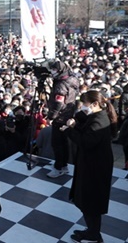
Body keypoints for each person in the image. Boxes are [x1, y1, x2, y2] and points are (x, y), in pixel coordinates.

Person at [62, 90, 117, 243]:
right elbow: (83, 118)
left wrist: (69, 131)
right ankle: (93, 231)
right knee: (89, 201)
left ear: (94, 104)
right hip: (92, 164)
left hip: (95, 168)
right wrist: (75, 120)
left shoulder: (99, 121)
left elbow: (86, 142)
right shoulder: (96, 115)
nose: (82, 108)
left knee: (90, 201)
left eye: (84, 105)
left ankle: (94, 234)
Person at [46, 60, 79, 178]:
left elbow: (58, 103)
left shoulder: (61, 84)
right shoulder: (72, 78)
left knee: (57, 143)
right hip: (68, 114)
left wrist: (51, 117)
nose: (52, 72)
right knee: (64, 142)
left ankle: (58, 167)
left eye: (54, 69)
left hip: (60, 117)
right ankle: (64, 165)